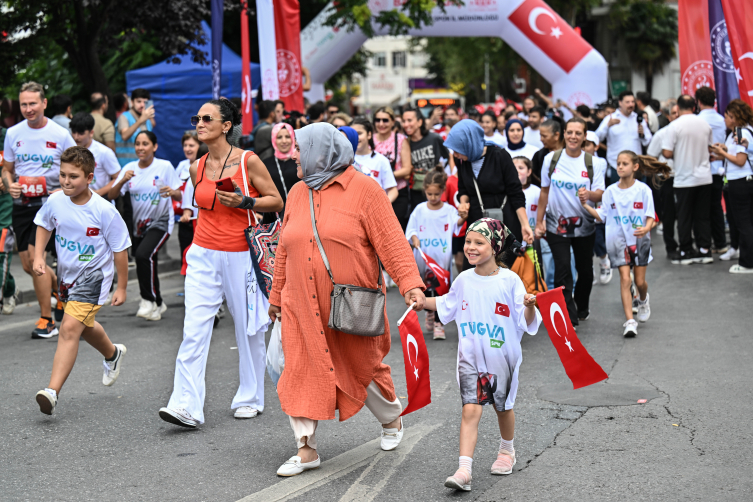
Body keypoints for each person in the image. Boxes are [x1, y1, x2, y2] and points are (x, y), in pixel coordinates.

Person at [266, 123, 425, 476]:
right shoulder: (296, 193)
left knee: (361, 367)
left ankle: (391, 419)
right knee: (299, 369)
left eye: (300, 148)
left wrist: (410, 283)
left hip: (351, 304)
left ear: (321, 153)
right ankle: (306, 448)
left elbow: (392, 242)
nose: (294, 154)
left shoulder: (364, 189)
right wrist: (277, 297)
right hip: (300, 303)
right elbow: (283, 252)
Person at [159, 98, 283, 428]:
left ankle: (251, 396)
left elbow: (277, 200)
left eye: (207, 118)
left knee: (248, 329)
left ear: (226, 126)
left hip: (241, 253)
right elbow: (200, 208)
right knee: (194, 329)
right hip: (202, 252)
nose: (199, 123)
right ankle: (186, 404)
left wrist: (246, 200)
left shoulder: (248, 161)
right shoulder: (196, 166)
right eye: (197, 118)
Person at [423, 218, 540, 492]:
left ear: (495, 247)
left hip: (503, 358)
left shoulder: (510, 280)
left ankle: (506, 450)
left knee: (503, 408)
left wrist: (530, 306)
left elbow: (526, 320)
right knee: (470, 409)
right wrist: (421, 302)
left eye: (479, 242)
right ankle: (464, 469)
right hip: (470, 359)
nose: (471, 248)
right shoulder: (463, 279)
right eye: (467, 242)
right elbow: (445, 304)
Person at [32, 146, 131, 415]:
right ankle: (113, 354)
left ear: (89, 178)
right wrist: (39, 256)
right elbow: (44, 225)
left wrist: (121, 286)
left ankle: (51, 392)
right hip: (68, 277)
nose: (66, 181)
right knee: (85, 326)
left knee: (69, 329)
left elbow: (120, 250)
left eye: (73, 176)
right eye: (62, 175)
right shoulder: (55, 201)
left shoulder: (104, 210)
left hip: (94, 278)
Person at [2, 81, 76, 338]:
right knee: (26, 264)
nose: (28, 109)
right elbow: (7, 170)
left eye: (33, 103)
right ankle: (62, 292)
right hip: (22, 206)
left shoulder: (59, 134)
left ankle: (47, 320)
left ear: (44, 103)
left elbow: (75, 167)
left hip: (49, 205)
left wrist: (62, 189)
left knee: (37, 259)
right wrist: (10, 185)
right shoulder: (13, 133)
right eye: (23, 104)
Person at [579, 151, 669, 337]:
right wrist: (585, 205)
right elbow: (602, 216)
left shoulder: (643, 190)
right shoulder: (610, 191)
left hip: (639, 240)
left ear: (635, 167)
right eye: (618, 163)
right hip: (617, 241)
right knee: (625, 279)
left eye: (624, 163)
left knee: (639, 281)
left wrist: (646, 228)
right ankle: (630, 321)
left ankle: (643, 299)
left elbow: (651, 216)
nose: (620, 167)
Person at [535, 118, 606, 325]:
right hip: (556, 225)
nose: (573, 136)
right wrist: (539, 222)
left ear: (584, 137)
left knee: (584, 271)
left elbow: (600, 194)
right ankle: (568, 316)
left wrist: (589, 195)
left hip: (585, 226)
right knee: (563, 268)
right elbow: (544, 192)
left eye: (578, 133)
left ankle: (581, 306)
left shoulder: (593, 163)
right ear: (564, 134)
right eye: (570, 132)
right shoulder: (551, 159)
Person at [108, 131, 181, 320]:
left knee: (143, 255)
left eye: (145, 144)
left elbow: (182, 195)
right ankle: (158, 303)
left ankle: (148, 300)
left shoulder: (164, 166)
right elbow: (112, 195)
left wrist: (173, 192)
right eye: (138, 144)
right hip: (139, 226)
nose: (140, 147)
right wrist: (123, 179)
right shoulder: (130, 168)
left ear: (154, 147)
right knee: (148, 261)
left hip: (161, 221)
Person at [448, 120, 532, 255]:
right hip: (476, 224)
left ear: (470, 144)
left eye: (458, 150)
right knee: (474, 267)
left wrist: (525, 225)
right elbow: (463, 189)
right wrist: (463, 203)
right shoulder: (462, 161)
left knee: (503, 268)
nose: (455, 155)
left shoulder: (499, 156)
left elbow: (516, 192)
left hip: (504, 221)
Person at [406, 167, 467, 339]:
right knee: (426, 287)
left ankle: (439, 323)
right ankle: (429, 312)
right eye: (429, 194)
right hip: (424, 257)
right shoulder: (419, 209)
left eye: (436, 194)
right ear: (424, 191)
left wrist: (463, 216)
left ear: (442, 191)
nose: (433, 198)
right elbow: (410, 229)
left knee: (442, 290)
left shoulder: (448, 210)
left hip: (442, 258)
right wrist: (414, 237)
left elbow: (457, 227)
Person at [661, 95, 714, 265]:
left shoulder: (674, 125)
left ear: (678, 106)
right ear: (694, 106)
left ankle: (685, 250)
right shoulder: (705, 124)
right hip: (705, 177)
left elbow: (667, 153)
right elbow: (710, 149)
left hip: (684, 178)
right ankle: (705, 250)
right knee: (702, 216)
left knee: (684, 216)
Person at [710, 99, 753, 273]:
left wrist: (722, 152)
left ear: (734, 117)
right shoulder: (737, 133)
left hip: (741, 182)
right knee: (745, 222)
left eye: (727, 116)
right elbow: (737, 155)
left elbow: (741, 161)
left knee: (744, 223)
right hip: (742, 180)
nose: (724, 119)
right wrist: (722, 151)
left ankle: (747, 263)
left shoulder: (742, 133)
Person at [695, 87, 728, 254]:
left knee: (702, 210)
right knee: (716, 207)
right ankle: (721, 243)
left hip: (702, 169)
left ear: (698, 102)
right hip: (719, 168)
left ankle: (705, 244)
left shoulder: (697, 120)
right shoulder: (723, 120)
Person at [595, 91, 652, 186]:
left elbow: (648, 141)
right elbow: (597, 138)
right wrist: (607, 126)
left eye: (632, 102)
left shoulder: (638, 118)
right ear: (620, 103)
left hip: (635, 166)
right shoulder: (611, 118)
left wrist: (642, 134)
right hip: (616, 166)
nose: (631, 104)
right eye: (627, 102)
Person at [647, 102, 679, 258]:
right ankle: (671, 247)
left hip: (688, 179)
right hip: (667, 179)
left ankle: (689, 246)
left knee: (688, 214)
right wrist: (661, 171)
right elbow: (651, 156)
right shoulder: (661, 134)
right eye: (674, 113)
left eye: (679, 113)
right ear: (668, 116)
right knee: (669, 214)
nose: (677, 116)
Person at [373, 106, 413, 230]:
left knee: (396, 228)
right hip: (375, 192)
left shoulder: (400, 139)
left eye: (385, 120)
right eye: (377, 120)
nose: (381, 124)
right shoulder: (370, 139)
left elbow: (407, 169)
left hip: (398, 190)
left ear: (392, 122)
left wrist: (385, 175)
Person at [403, 106, 449, 207]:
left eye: (409, 120)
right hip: (416, 192)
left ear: (419, 122)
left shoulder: (434, 138)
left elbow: (449, 157)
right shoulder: (405, 143)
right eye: (404, 121)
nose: (406, 124)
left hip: (436, 191)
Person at [582, 131, 612, 285]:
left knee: (598, 238)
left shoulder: (599, 162)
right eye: (583, 144)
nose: (584, 148)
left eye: (588, 144)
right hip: (582, 208)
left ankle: (604, 260)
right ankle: (589, 269)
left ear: (596, 146)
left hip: (597, 206)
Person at [69, 112, 121, 199]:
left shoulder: (104, 152)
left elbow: (118, 178)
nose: (76, 137)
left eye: (81, 133)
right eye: (74, 132)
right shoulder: (69, 150)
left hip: (100, 201)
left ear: (91, 133)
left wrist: (98, 193)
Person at [350, 117, 398, 202]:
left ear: (369, 134)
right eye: (352, 134)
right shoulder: (345, 159)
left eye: (359, 133)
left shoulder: (381, 160)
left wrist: (383, 205)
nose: (356, 137)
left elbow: (393, 190)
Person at [262, 122, 300, 224]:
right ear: (273, 139)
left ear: (293, 138)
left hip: (300, 214)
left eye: (287, 136)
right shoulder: (265, 164)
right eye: (279, 137)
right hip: (273, 219)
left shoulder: (300, 161)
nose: (284, 141)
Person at [176, 132, 201, 266]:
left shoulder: (206, 166)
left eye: (191, 145)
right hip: (187, 220)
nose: (187, 149)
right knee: (186, 257)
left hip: (201, 221)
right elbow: (179, 190)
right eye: (185, 145)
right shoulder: (181, 166)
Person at [115, 88, 155, 167]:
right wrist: (140, 120)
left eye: (145, 102)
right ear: (132, 102)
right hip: (126, 166)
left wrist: (148, 116)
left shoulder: (147, 120)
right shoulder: (124, 117)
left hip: (144, 165)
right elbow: (125, 136)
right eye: (139, 101)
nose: (142, 105)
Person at [0, 167, 18, 315]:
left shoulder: (6, 142)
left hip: (3, 202)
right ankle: (10, 288)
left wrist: (7, 179)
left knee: (1, 252)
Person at [530, 118, 565, 186]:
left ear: (556, 135)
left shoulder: (570, 153)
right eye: (540, 135)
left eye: (544, 136)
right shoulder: (538, 155)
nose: (541, 139)